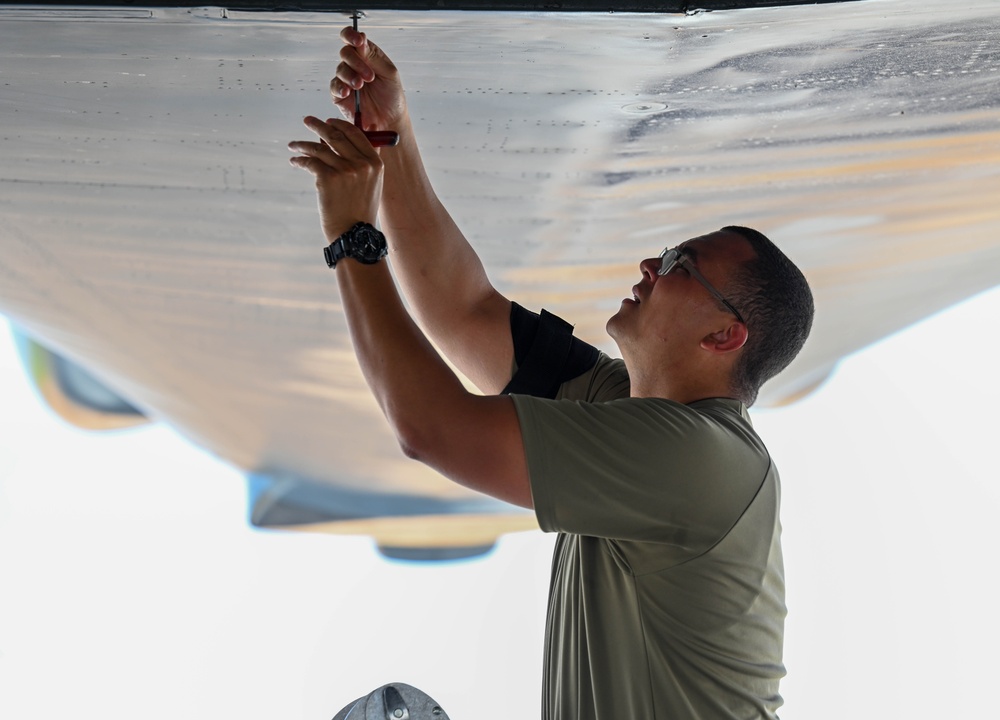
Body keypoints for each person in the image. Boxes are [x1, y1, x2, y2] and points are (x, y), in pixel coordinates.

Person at [288, 25, 814, 720]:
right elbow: (466, 309)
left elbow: (432, 429)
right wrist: (392, 138)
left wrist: (352, 238)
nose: (649, 267)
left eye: (679, 266)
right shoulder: (627, 411)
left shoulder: (700, 464)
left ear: (724, 334)